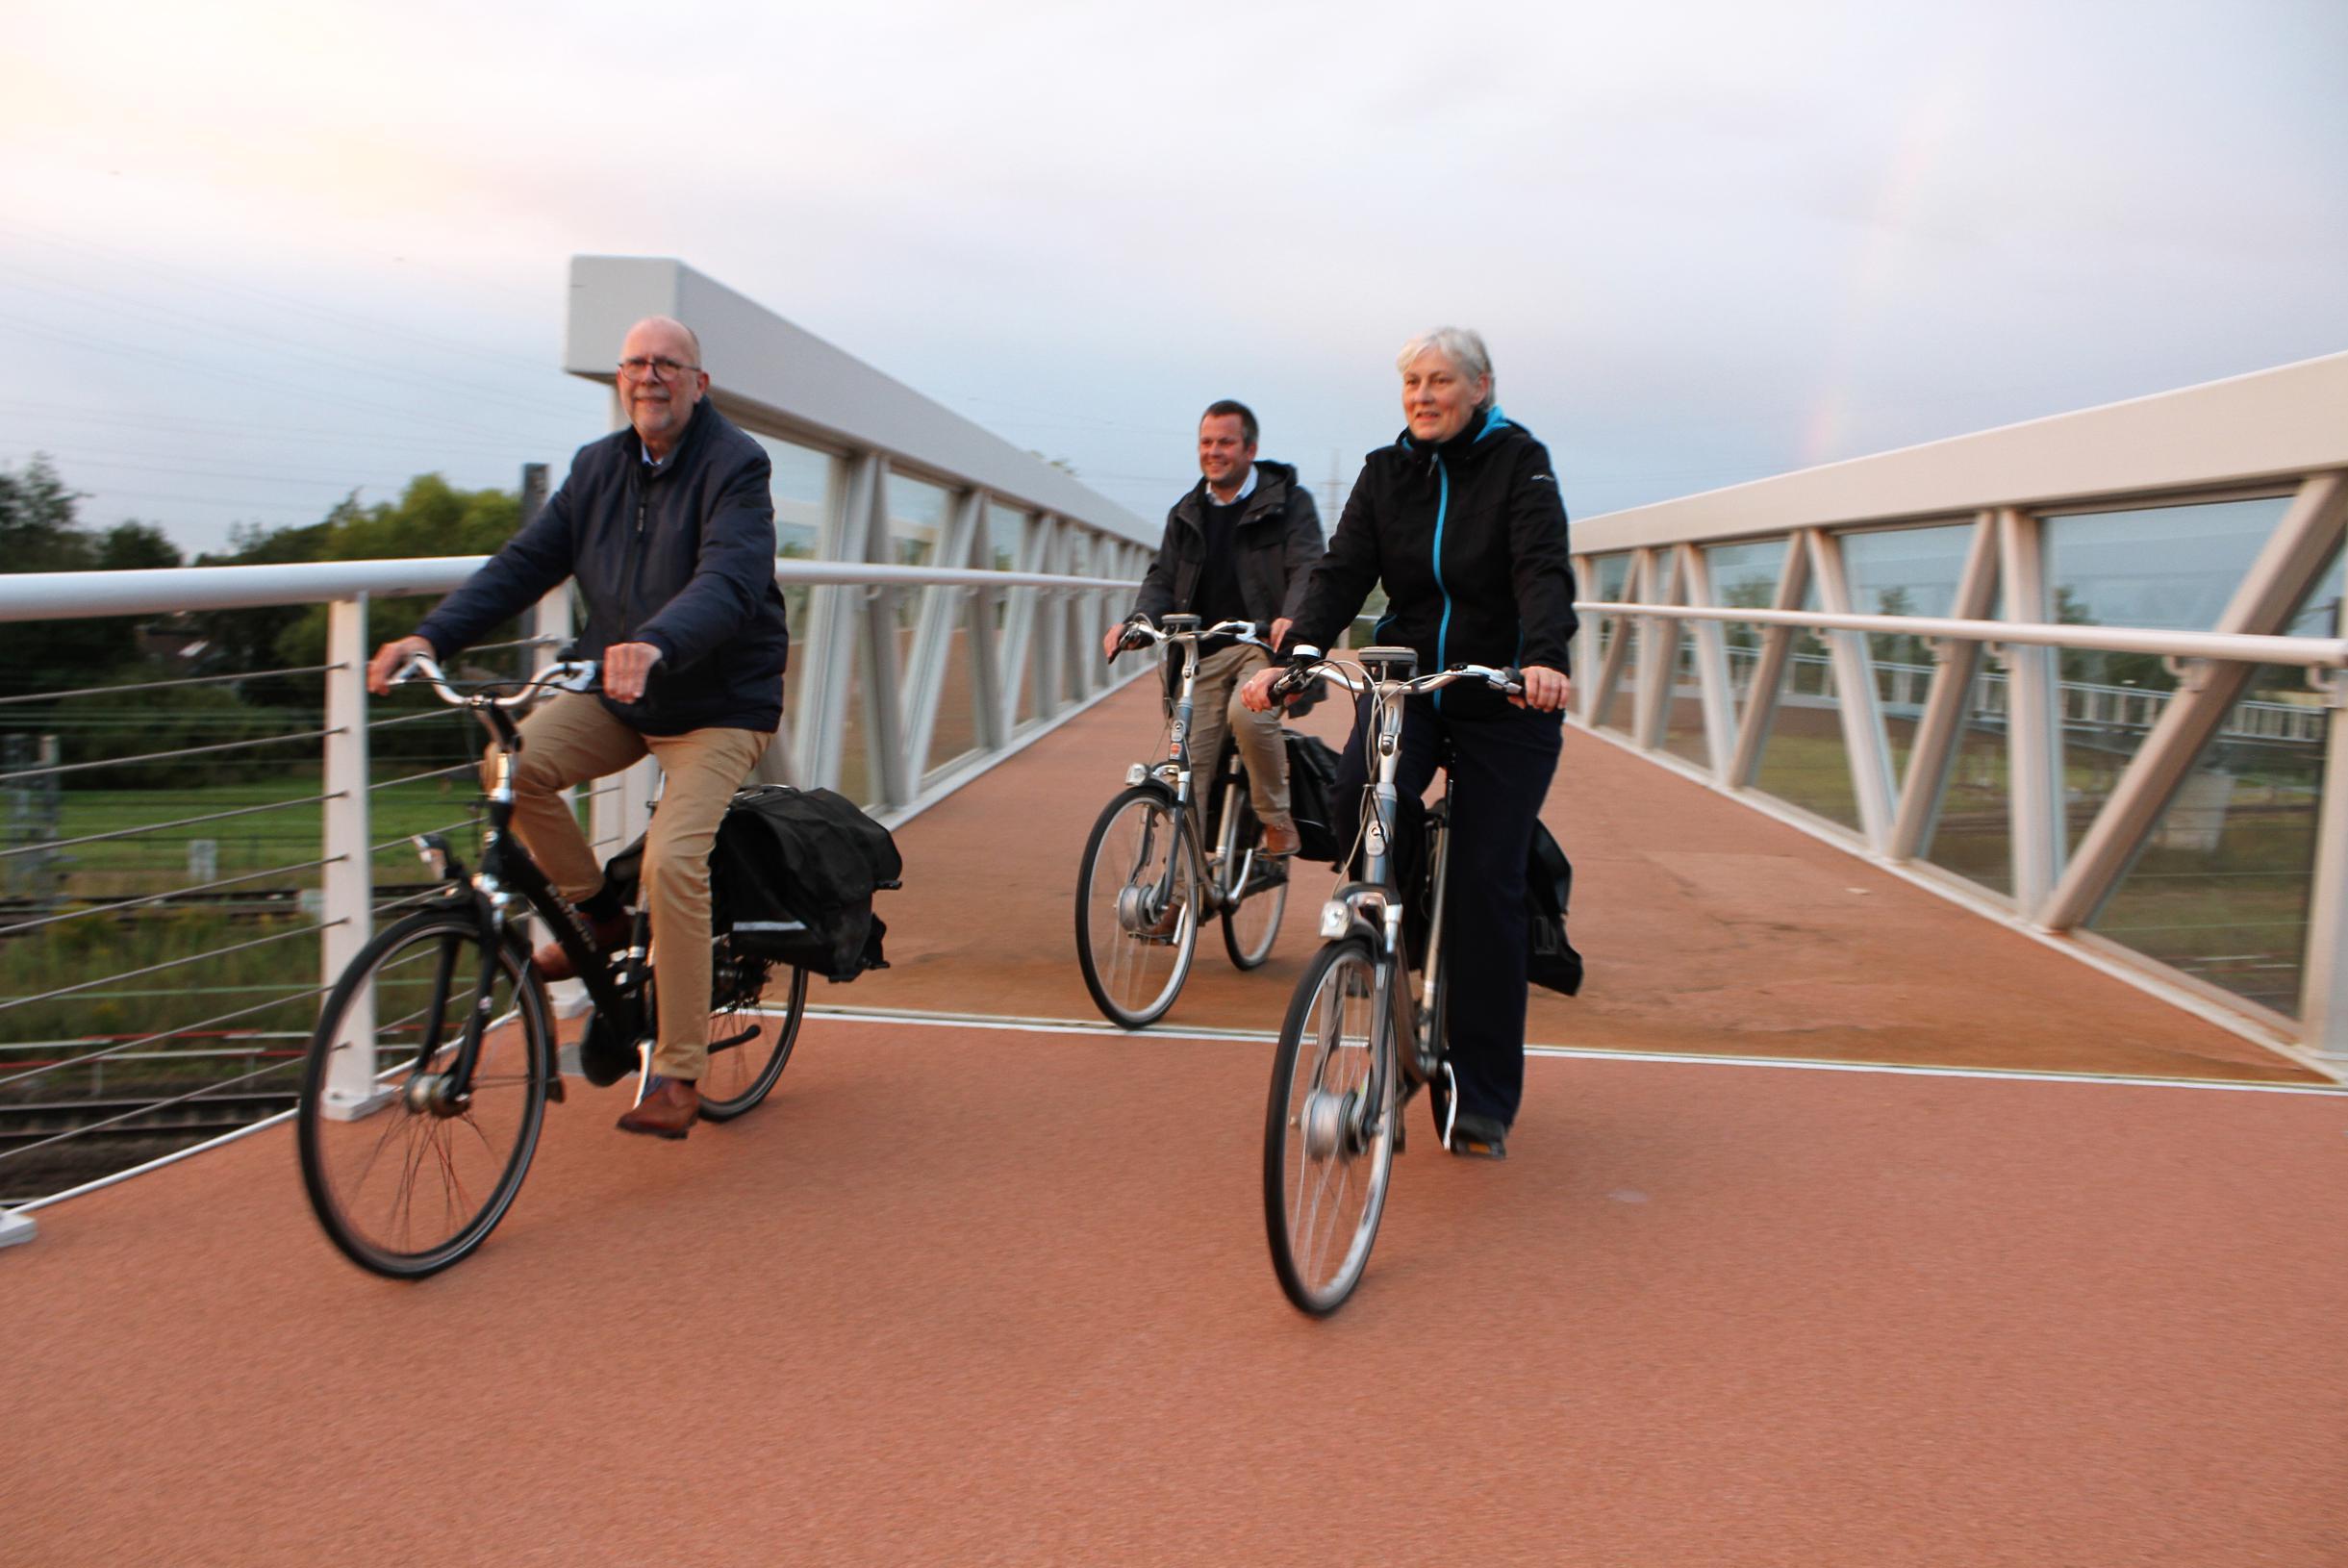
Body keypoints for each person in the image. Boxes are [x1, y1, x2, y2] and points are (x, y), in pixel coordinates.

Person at [366, 315, 790, 1141]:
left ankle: (676, 1072)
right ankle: (594, 910)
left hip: (717, 703)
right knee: (511, 764)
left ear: (698, 384)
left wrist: (659, 642)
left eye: (669, 364)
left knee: (673, 859)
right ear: (619, 379)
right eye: (635, 363)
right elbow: (526, 563)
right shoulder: (597, 468)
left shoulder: (736, 463)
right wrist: (431, 636)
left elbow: (732, 579)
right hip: (619, 689)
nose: (649, 377)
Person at [1242, 328, 1575, 1159]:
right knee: (1358, 801)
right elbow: (1342, 571)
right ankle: (1401, 927)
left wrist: (1542, 659)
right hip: (1409, 685)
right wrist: (1297, 658)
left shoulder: (1520, 464)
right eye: (1411, 384)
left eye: (1440, 382)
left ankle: (1481, 1092)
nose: (1422, 396)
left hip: (1501, 695)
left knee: (1485, 887)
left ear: (1480, 387)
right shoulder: (1385, 471)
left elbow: (1542, 567)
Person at [1106, 399, 1324, 855]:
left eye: (1226, 441)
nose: (1214, 450)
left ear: (1250, 449)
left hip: (1261, 648)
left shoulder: (1289, 503)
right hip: (1199, 655)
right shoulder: (1186, 512)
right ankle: (1183, 894)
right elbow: (1162, 577)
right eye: (1206, 442)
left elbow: (1309, 567)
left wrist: (1295, 618)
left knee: (1248, 716)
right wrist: (1138, 621)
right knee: (1188, 768)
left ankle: (1275, 819)